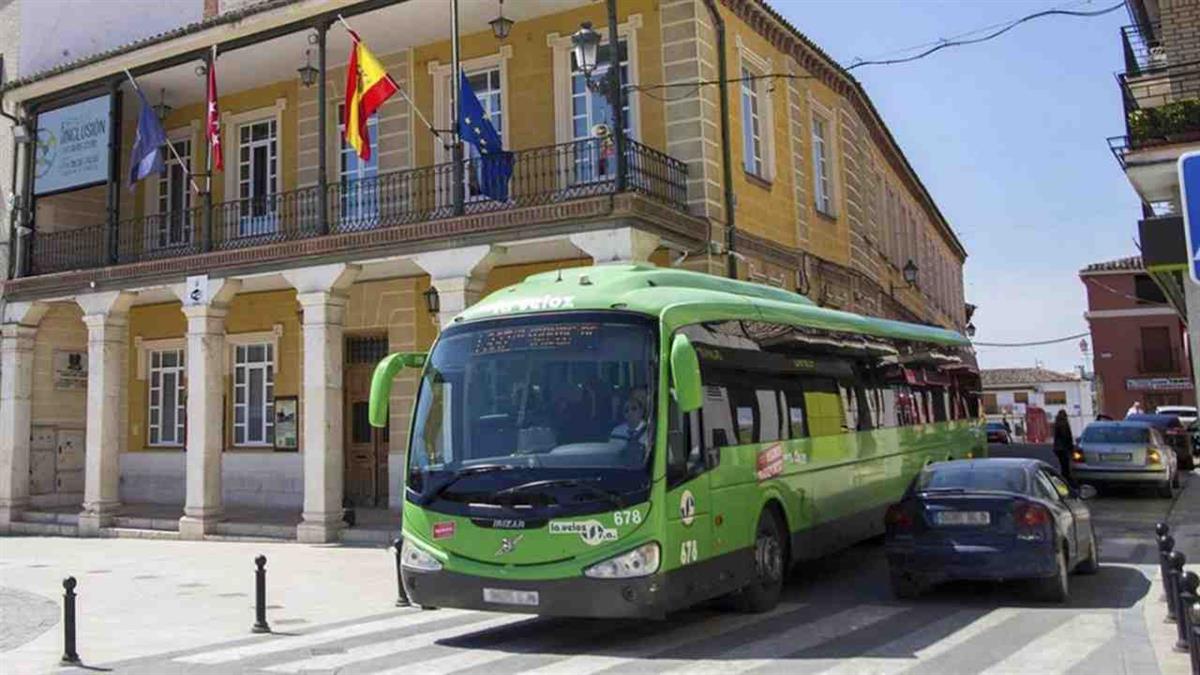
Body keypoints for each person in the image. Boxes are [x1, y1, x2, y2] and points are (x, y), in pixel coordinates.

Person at [611, 390, 651, 461]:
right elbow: (613, 456)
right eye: (626, 410)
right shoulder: (616, 432)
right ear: (623, 415)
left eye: (634, 408)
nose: (630, 412)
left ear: (641, 411)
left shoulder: (650, 431)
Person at [1052, 409, 1075, 482]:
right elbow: (1066, 437)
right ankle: (1066, 480)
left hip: (1058, 448)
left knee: (1062, 464)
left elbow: (1056, 437)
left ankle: (1064, 478)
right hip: (1064, 447)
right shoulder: (1064, 424)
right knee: (1066, 465)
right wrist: (1071, 448)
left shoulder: (1057, 423)